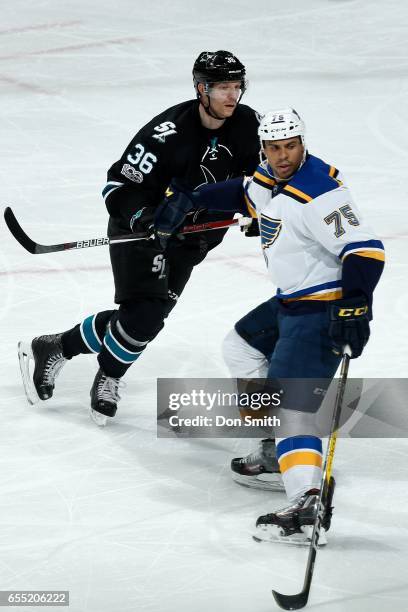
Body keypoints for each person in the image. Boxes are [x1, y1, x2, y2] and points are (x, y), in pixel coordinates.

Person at [158, 108, 385, 543]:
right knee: (242, 346)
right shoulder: (268, 178)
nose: (283, 156)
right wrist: (193, 199)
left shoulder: (320, 192)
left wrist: (355, 305)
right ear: (264, 148)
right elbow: (244, 192)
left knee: (292, 407)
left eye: (291, 146)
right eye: (275, 148)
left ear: (303, 143)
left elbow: (366, 251)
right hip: (289, 303)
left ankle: (306, 501)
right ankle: (269, 448)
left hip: (322, 309)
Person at [18, 50, 261, 426]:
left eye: (236, 86)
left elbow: (260, 177)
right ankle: (108, 374)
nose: (232, 96)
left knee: (147, 317)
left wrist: (262, 208)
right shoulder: (167, 134)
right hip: (143, 236)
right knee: (145, 316)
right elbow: (117, 187)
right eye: (223, 88)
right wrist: (144, 218)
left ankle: (54, 347)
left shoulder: (248, 125)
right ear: (202, 89)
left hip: (194, 239)